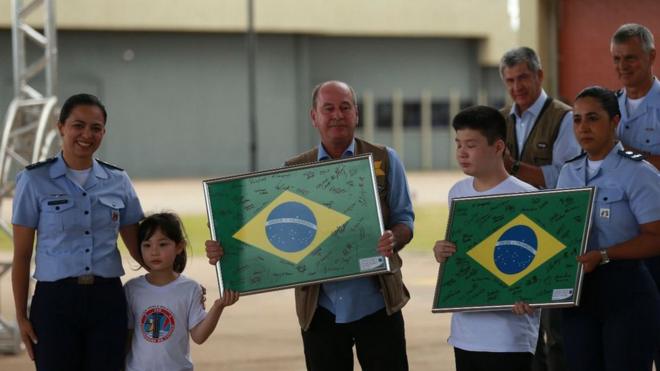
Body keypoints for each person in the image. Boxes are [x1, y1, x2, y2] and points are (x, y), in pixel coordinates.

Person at [206, 80, 415, 371]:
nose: (337, 115)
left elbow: (405, 219)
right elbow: (270, 231)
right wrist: (224, 249)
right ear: (314, 117)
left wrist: (394, 238)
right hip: (319, 310)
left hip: (378, 303)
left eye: (345, 107)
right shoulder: (294, 171)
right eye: (328, 108)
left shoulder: (385, 159)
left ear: (356, 113)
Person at [11, 93, 144, 370]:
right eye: (78, 125)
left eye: (96, 128)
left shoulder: (118, 181)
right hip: (54, 303)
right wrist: (21, 316)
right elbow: (22, 256)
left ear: (104, 132)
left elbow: (142, 250)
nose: (87, 134)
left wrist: (183, 271)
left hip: (107, 302)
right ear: (61, 127)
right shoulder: (33, 180)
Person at [557, 86, 660, 371]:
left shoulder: (639, 173)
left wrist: (603, 255)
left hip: (626, 292)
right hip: (577, 294)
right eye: (577, 120)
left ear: (614, 122)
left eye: (593, 118)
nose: (583, 127)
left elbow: (656, 237)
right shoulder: (568, 173)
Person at [433, 105, 541, 371]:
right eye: (458, 143)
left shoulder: (527, 197)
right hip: (465, 334)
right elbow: (463, 255)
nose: (461, 152)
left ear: (498, 147)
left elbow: (539, 266)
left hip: (509, 337)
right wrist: (442, 251)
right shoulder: (457, 192)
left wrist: (533, 295)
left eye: (471, 144)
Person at [499, 46, 580, 371]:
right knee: (523, 329)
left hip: (555, 235)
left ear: (539, 75)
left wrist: (512, 167)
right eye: (510, 80)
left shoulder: (565, 117)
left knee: (556, 331)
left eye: (522, 78)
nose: (516, 87)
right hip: (513, 234)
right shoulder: (501, 119)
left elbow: (567, 175)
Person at [125, 213, 239, 371]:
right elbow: (126, 336)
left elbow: (199, 337)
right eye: (147, 245)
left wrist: (218, 306)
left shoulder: (190, 288)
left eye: (163, 244)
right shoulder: (131, 289)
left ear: (179, 247)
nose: (154, 252)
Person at [610, 23, 660, 367]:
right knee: (627, 344)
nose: (623, 66)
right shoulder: (608, 105)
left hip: (656, 236)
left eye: (631, 58)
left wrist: (627, 153)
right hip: (618, 241)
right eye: (616, 59)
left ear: (652, 56)